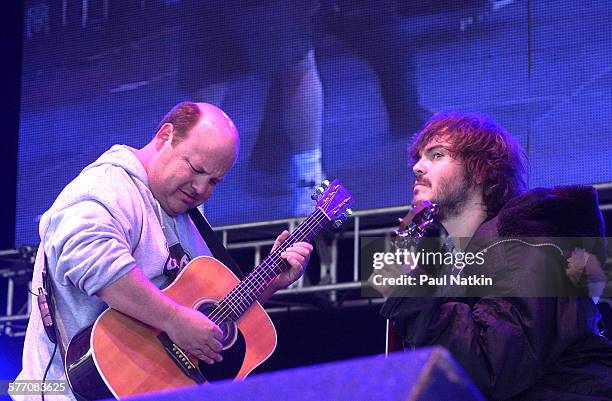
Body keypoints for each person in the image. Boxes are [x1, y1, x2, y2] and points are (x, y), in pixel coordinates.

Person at [14, 102, 313, 401]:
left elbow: (210, 318)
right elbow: (93, 260)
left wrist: (268, 282)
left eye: (213, 181)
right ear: (164, 137)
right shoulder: (107, 188)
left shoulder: (184, 213)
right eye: (196, 169)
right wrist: (174, 320)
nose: (200, 188)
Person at [379, 112, 612, 400]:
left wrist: (413, 295)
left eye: (437, 155)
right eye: (418, 158)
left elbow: (489, 367)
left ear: (480, 170)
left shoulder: (527, 243)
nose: (417, 167)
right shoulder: (461, 265)